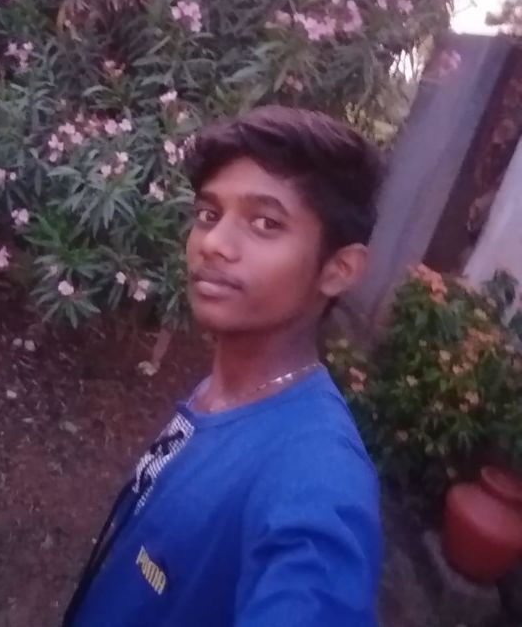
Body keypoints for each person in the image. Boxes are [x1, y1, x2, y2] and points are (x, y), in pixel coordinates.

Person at [62, 105, 384, 627]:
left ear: (338, 269)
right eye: (209, 215)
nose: (212, 244)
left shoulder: (318, 480)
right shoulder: (229, 390)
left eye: (265, 223)